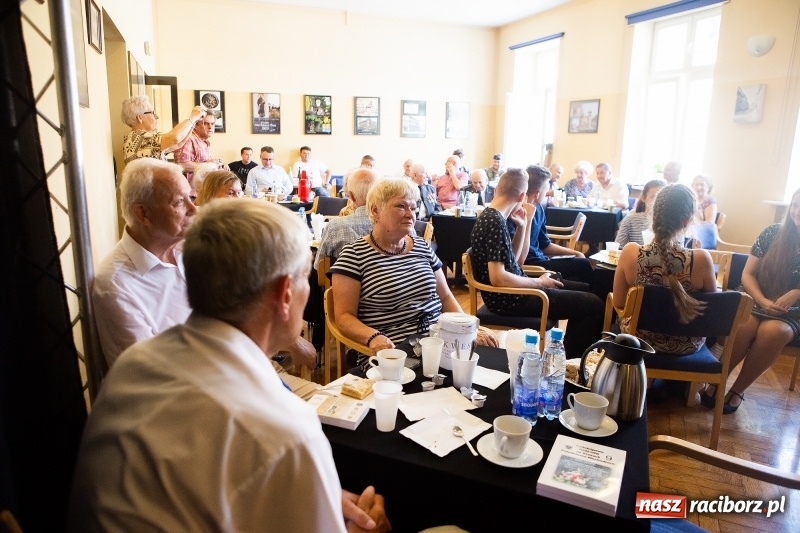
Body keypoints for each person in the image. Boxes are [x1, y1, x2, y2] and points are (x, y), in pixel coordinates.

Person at [70, 199, 391, 533]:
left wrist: (309, 492)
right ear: (284, 294)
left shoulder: (134, 365)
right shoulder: (284, 433)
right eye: (304, 279)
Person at [92, 158, 318, 381]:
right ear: (143, 213)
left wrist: (291, 340)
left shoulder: (190, 246)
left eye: (190, 197)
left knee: (336, 402)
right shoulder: (117, 287)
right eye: (179, 202)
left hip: (249, 368)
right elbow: (150, 380)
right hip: (211, 391)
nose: (193, 209)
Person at [330, 178, 497, 358]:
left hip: (440, 344)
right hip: (393, 353)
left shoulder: (421, 246)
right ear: (375, 210)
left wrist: (468, 328)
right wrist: (373, 337)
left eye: (414, 207)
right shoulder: (354, 255)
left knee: (496, 365)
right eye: (401, 206)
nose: (411, 214)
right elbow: (343, 316)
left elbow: (446, 297)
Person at [469, 168, 604, 357]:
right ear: (521, 196)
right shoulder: (494, 222)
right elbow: (497, 278)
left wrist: (522, 227)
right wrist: (539, 282)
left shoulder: (494, 217)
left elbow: (516, 261)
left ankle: (572, 358)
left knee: (589, 292)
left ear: (498, 188)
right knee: (594, 305)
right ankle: (571, 364)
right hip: (510, 299)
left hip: (514, 293)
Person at [702, 189, 800, 414]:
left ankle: (737, 390)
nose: (798, 212)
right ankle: (718, 381)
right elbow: (747, 274)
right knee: (744, 326)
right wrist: (763, 300)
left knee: (774, 332)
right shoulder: (772, 233)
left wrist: (797, 292)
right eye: (795, 205)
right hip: (756, 297)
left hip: (793, 311)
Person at [613, 184, 716, 355]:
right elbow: (712, 308)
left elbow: (619, 303)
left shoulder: (630, 252)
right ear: (688, 221)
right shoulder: (701, 260)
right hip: (687, 345)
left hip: (638, 341)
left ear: (654, 215)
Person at [513, 165, 594, 284]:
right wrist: (527, 221)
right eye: (546, 190)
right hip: (532, 266)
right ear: (537, 194)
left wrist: (575, 252)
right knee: (583, 265)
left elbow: (545, 245)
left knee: (578, 273)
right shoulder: (516, 213)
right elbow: (518, 260)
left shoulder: (539, 208)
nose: (547, 193)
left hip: (542, 259)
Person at [314, 169, 377, 270]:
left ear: (351, 196)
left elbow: (319, 266)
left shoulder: (334, 227)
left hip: (339, 279)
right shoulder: (393, 226)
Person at [121, 95, 205, 164]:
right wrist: (192, 117)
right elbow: (174, 138)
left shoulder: (141, 139)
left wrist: (194, 122)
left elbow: (179, 144)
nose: (156, 117)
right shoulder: (139, 138)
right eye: (153, 113)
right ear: (140, 118)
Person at [174, 113, 223, 187]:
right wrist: (208, 165)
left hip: (201, 188)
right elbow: (182, 165)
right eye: (206, 123)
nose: (210, 127)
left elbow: (204, 162)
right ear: (195, 125)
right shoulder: (189, 139)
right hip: (190, 190)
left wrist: (218, 165)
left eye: (212, 124)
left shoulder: (204, 142)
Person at [615, 179, 666, 246]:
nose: (657, 201)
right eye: (653, 197)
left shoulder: (671, 223)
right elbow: (618, 246)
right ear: (644, 198)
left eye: (660, 198)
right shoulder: (631, 219)